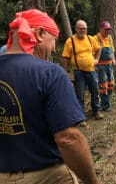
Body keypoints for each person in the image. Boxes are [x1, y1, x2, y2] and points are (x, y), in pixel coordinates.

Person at [0, 9, 101, 184]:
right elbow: (68, 139)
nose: (54, 47)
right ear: (39, 33)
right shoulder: (50, 73)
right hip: (47, 175)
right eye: (54, 39)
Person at [61, 20, 103, 123]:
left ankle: (96, 111)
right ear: (76, 29)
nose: (82, 30)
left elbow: (99, 48)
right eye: (80, 28)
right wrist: (65, 73)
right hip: (78, 71)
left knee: (95, 91)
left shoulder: (90, 39)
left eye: (84, 28)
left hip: (91, 70)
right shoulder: (70, 41)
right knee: (80, 95)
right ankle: (81, 117)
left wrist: (96, 59)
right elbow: (65, 58)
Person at [93, 21, 116, 112]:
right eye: (105, 29)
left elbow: (112, 50)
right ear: (101, 29)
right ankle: (106, 106)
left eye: (108, 29)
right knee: (103, 86)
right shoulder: (95, 38)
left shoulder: (110, 38)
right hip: (101, 66)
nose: (107, 31)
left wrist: (113, 59)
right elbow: (92, 52)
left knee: (111, 85)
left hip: (110, 65)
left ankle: (105, 102)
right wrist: (95, 65)